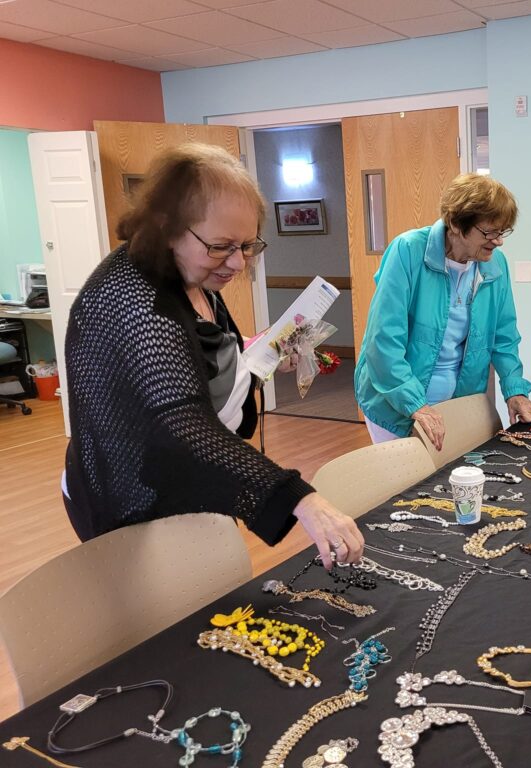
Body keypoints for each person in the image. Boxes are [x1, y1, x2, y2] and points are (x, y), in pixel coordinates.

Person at [63, 143, 363, 568]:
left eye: (247, 245)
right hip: (135, 499)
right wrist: (301, 500)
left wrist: (263, 357)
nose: (237, 263)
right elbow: (178, 423)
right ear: (167, 227)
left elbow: (203, 357)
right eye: (221, 246)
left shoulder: (188, 272)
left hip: (188, 482)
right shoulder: (134, 302)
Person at [354, 173, 531, 450]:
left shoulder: (495, 264)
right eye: (489, 232)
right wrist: (417, 405)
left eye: (503, 231)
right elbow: (383, 342)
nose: (498, 241)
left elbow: (504, 337)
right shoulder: (408, 251)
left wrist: (515, 390)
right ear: (456, 224)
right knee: (411, 476)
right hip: (395, 399)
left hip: (459, 401)